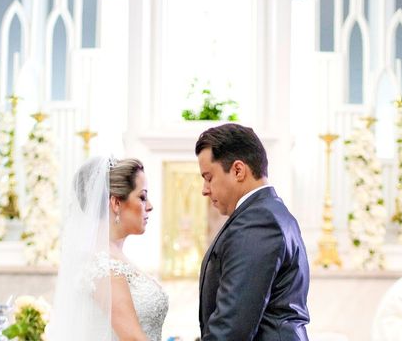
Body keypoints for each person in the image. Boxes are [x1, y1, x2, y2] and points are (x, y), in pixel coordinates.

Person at [195, 123, 310, 340]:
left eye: (209, 177)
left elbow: (232, 328)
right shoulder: (271, 211)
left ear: (238, 170)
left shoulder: (258, 221)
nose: (205, 189)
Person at [47, 156, 168, 341]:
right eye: (142, 197)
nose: (149, 206)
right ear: (116, 203)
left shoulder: (115, 258)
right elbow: (133, 338)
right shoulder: (103, 266)